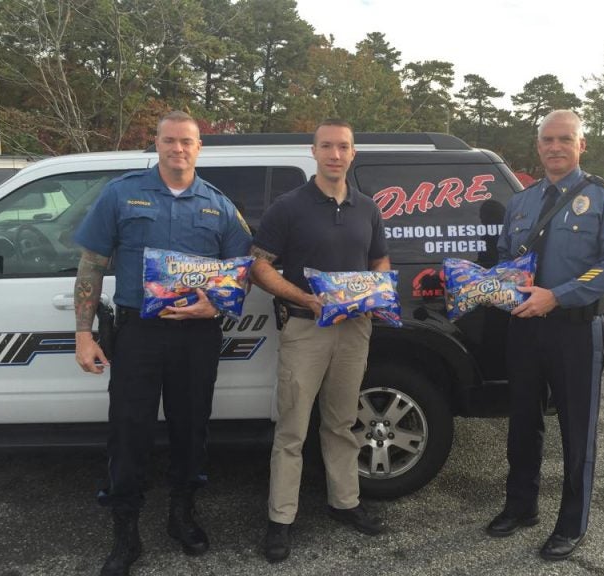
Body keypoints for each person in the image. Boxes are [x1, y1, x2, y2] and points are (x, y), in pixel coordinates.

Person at [73, 110, 252, 576]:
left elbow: (241, 272)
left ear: (199, 147)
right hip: (138, 335)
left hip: (197, 337)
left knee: (191, 428)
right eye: (169, 140)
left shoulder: (219, 205)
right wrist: (83, 333)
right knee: (129, 431)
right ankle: (125, 532)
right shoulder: (121, 193)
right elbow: (91, 264)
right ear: (156, 144)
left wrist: (216, 306)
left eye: (187, 141)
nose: (178, 149)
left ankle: (182, 514)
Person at [487, 110, 604, 560]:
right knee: (522, 422)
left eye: (564, 139)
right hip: (525, 327)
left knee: (576, 428)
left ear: (581, 145)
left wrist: (558, 295)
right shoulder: (523, 201)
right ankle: (521, 505)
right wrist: (496, 286)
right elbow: (507, 257)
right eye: (547, 139)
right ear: (538, 146)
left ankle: (572, 523)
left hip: (575, 330)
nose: (555, 147)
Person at [249, 119, 390, 563]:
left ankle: (345, 503)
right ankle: (280, 519)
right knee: (292, 429)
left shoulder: (367, 208)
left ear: (353, 153)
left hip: (354, 329)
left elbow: (379, 258)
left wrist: (375, 290)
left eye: (343, 147)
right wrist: (304, 299)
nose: (335, 154)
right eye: (326, 146)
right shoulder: (288, 207)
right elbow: (259, 267)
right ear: (313, 152)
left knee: (343, 423)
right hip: (305, 328)